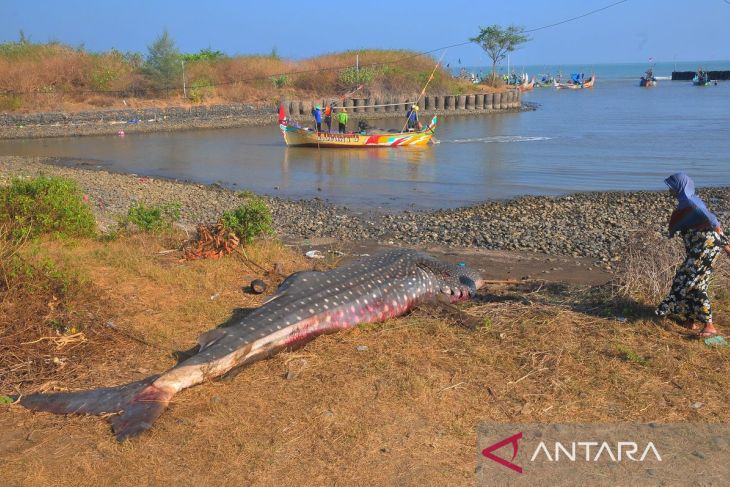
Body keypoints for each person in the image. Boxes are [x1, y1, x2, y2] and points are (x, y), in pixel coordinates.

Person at [656, 172, 730, 337]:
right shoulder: (689, 202)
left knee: (693, 283)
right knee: (685, 279)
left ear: (680, 187)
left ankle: (709, 326)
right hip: (701, 249)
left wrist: (727, 247)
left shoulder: (689, 203)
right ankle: (691, 320)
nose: (670, 190)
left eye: (672, 186)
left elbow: (714, 223)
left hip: (705, 248)